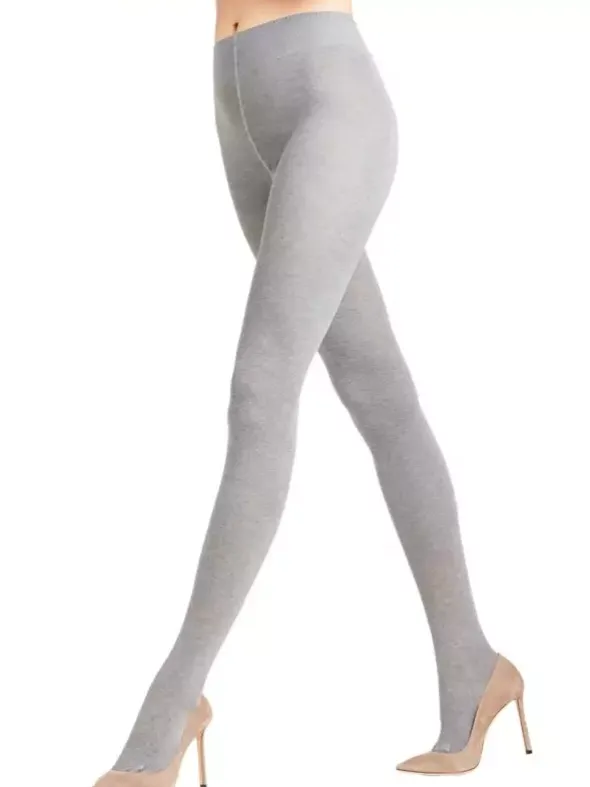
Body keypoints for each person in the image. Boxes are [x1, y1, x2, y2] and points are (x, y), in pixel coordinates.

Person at [93, 1, 531, 783]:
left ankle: (171, 707)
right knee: (379, 391)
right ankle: (474, 662)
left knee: (259, 391)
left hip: (331, 100)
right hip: (237, 105)